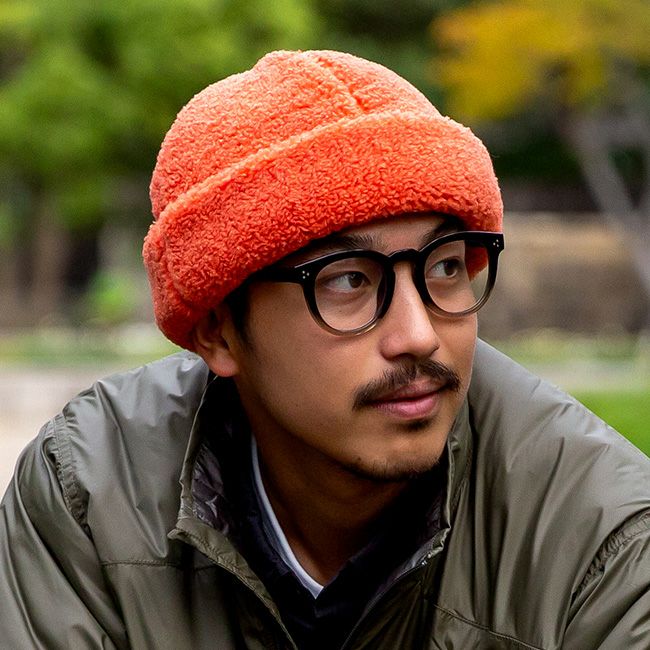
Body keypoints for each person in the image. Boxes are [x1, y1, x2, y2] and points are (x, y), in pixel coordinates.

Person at [1, 50, 648, 650]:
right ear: (218, 332)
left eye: (445, 266)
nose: (419, 335)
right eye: (348, 281)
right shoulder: (94, 496)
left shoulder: (601, 538)